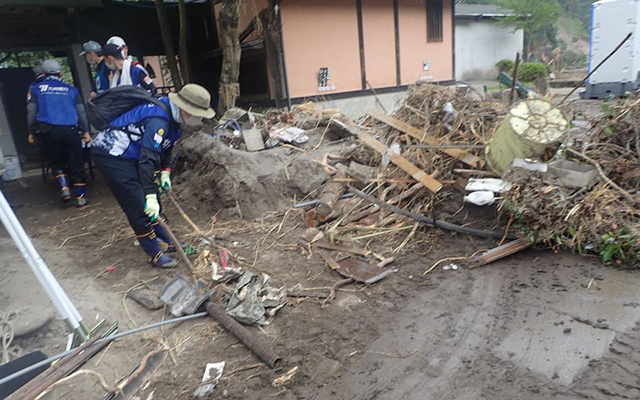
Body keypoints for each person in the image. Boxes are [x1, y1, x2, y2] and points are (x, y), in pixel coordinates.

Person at [91, 84, 215, 268]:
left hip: (133, 155)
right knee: (139, 204)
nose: (200, 119)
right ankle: (154, 252)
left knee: (153, 202)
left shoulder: (173, 117)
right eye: (198, 114)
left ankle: (166, 240)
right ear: (186, 110)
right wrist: (149, 195)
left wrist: (165, 171)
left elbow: (166, 145)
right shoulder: (158, 119)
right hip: (112, 156)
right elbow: (147, 160)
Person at [27, 59, 91, 207]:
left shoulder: (36, 89)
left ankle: (64, 189)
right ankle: (81, 197)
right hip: (70, 130)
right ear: (60, 72)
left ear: (43, 73)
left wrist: (31, 131)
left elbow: (31, 110)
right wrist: (86, 130)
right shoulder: (71, 90)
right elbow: (81, 111)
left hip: (48, 131)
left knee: (56, 161)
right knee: (76, 161)